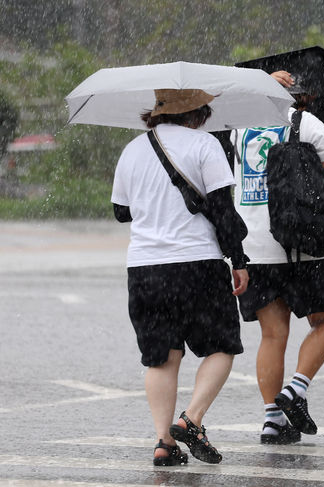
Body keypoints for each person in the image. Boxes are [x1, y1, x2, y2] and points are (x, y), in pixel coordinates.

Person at [111, 88, 250, 465]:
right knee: (223, 345)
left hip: (144, 268)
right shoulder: (205, 145)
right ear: (198, 112)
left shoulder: (132, 150)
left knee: (161, 357)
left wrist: (152, 203)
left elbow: (120, 212)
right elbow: (222, 209)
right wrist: (238, 260)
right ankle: (191, 419)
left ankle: (163, 443)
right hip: (197, 263)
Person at [232, 71, 324, 444]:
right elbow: (323, 185)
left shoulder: (238, 129)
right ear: (296, 97)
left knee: (272, 334)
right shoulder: (311, 126)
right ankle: (296, 389)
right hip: (300, 241)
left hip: (254, 245)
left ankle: (272, 420)